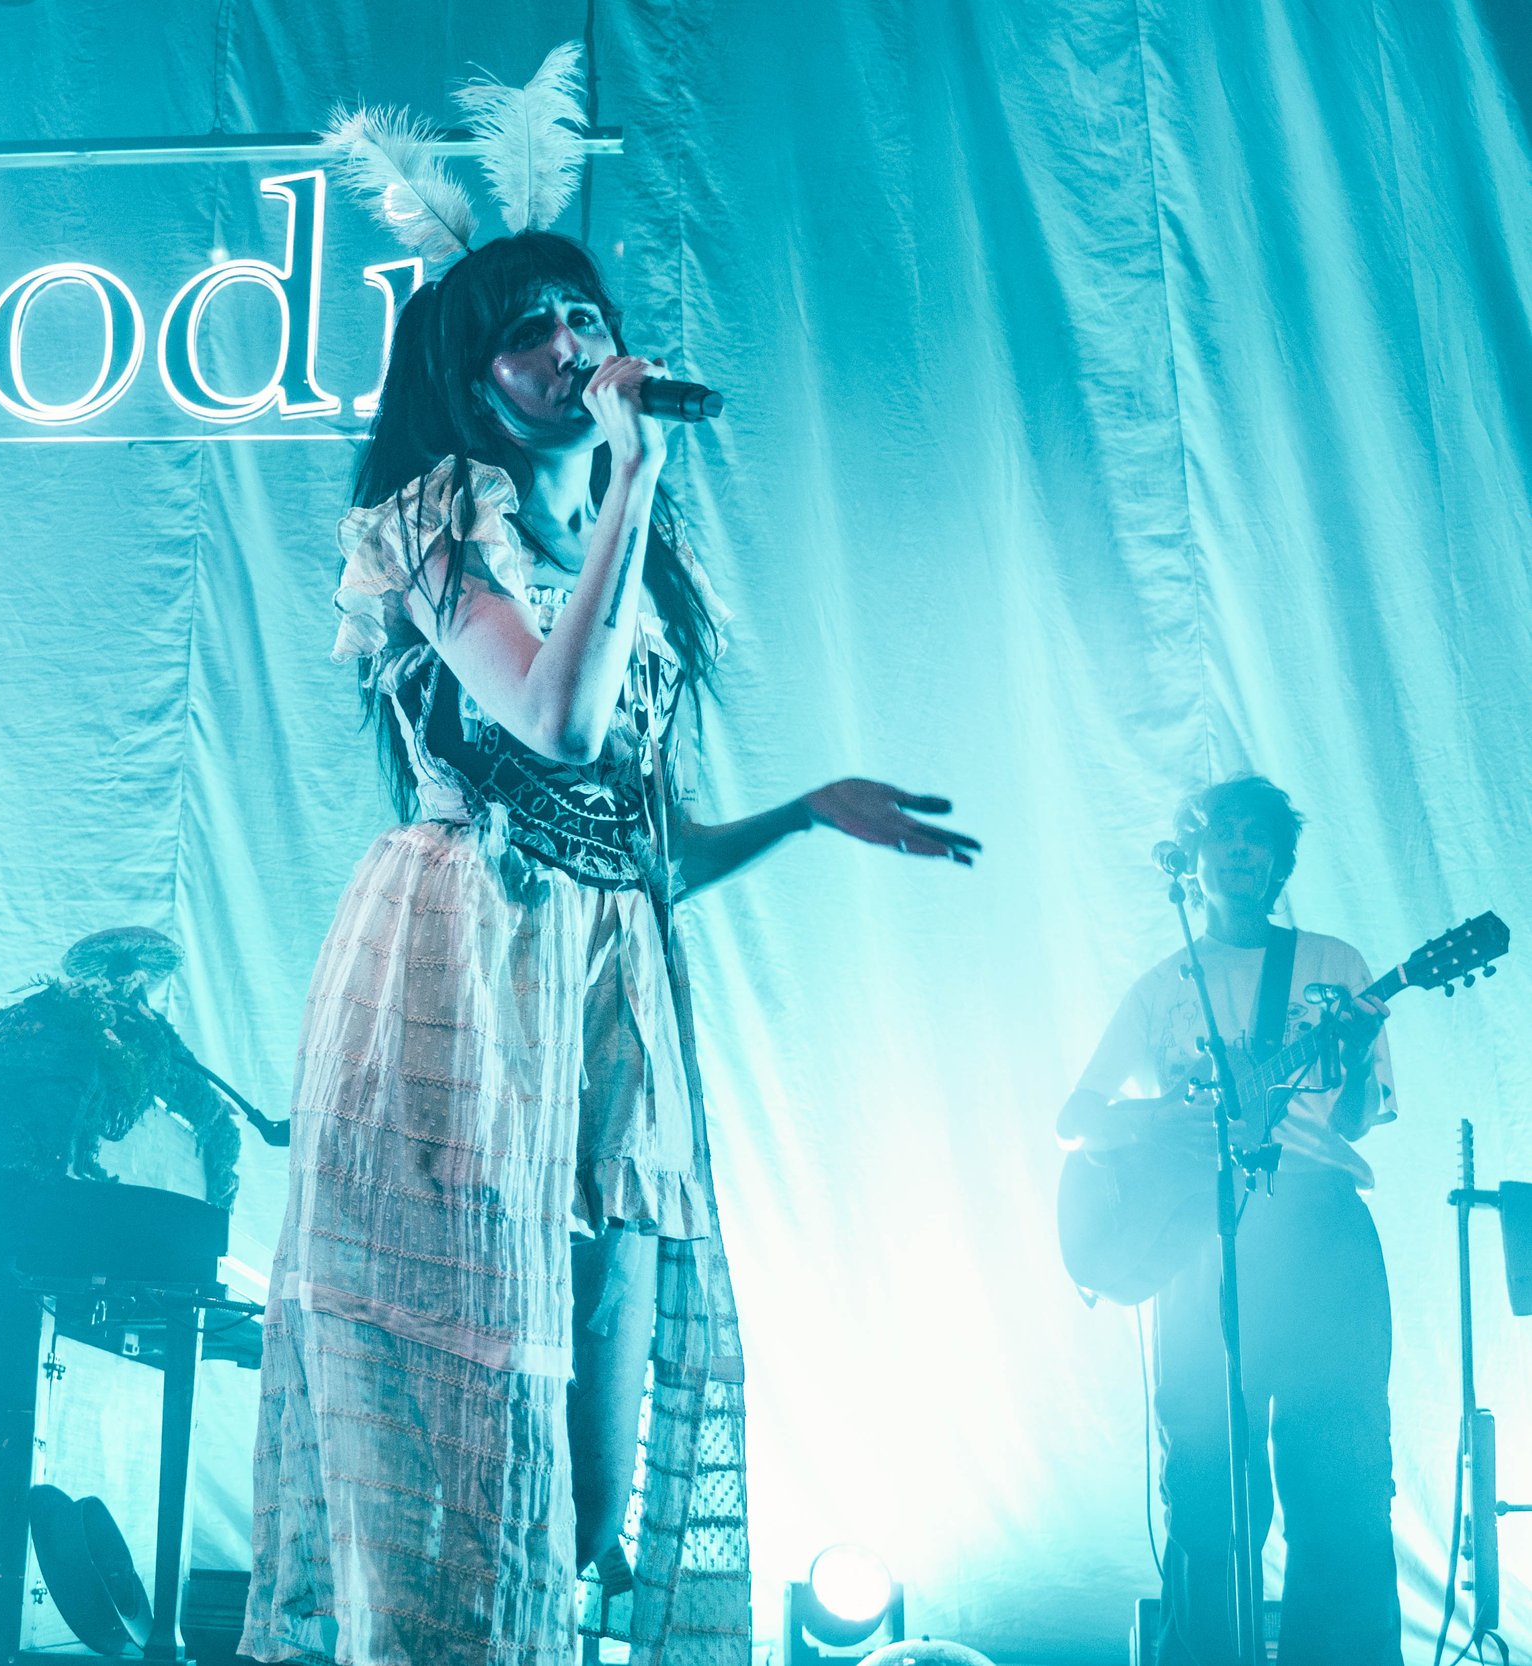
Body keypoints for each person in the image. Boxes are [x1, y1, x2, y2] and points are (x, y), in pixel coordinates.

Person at [240, 231, 977, 1666]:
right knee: (453, 1396)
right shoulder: (435, 522)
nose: (571, 346)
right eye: (531, 330)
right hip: (462, 969)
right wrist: (633, 474)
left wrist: (803, 814)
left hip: (606, 983)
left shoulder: (638, 564)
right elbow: (553, 724)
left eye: (585, 315)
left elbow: (636, 849)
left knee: (593, 1436)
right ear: (476, 380)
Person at [1059, 776, 1397, 1665]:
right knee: (1208, 1487)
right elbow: (1076, 1119)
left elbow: (1359, 1117)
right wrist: (1162, 1120)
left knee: (1342, 1481)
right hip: (1202, 1237)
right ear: (1196, 861)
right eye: (1223, 836)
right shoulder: (1161, 985)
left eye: (1257, 837)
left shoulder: (1334, 965)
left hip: (1320, 1230)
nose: (1240, 849)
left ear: (1281, 862)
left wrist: (1350, 1055)